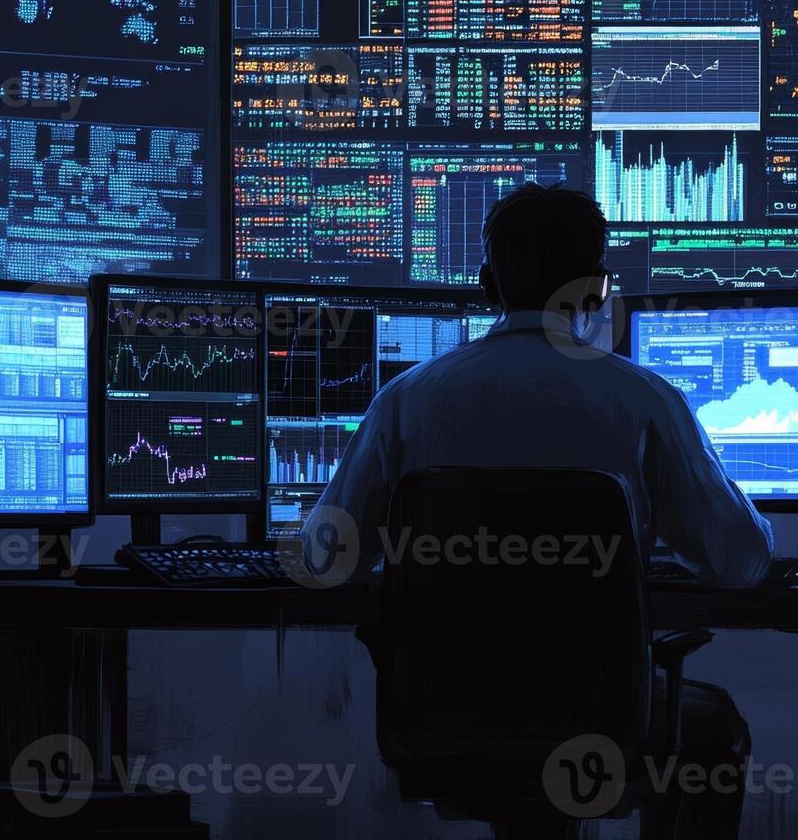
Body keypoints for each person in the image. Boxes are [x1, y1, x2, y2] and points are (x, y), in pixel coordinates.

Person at [302, 183, 772, 837]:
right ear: (598, 289)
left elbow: (326, 563)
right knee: (711, 726)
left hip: (443, 717)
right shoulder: (643, 399)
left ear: (487, 285)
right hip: (602, 721)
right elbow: (739, 564)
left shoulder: (405, 400)